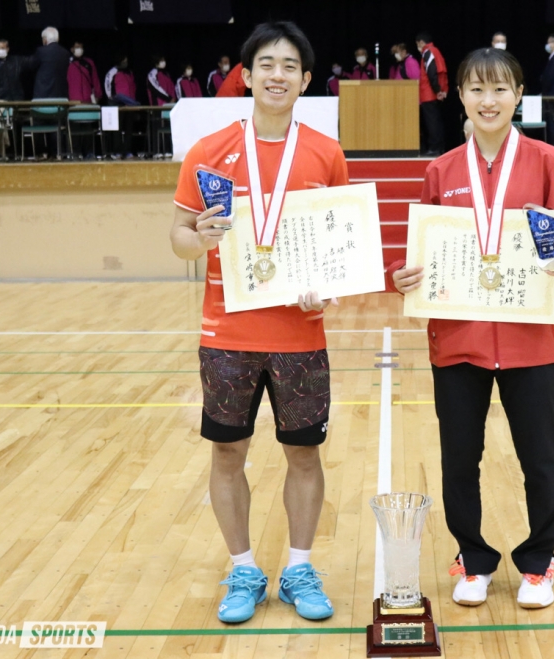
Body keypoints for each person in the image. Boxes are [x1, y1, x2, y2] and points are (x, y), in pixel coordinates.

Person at [387, 47, 554, 610]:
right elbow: (413, 262)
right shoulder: (441, 170)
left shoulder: (548, 161)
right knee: (460, 459)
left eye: (500, 88)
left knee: (540, 459)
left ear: (519, 95)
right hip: (457, 343)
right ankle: (472, 559)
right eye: (476, 89)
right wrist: (401, 276)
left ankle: (539, 561)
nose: (488, 100)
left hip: (530, 340)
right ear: (459, 96)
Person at [170, 20, 347, 625]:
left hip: (300, 335)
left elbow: (336, 246)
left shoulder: (325, 153)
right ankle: (243, 567)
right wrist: (198, 237)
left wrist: (329, 290)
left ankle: (299, 566)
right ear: (247, 75)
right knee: (227, 455)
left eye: (290, 66)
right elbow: (177, 236)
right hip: (227, 335)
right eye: (266, 64)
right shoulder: (209, 151)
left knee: (304, 457)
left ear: (306, 79)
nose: (278, 74)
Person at [415, 31, 448, 156]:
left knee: (432, 122)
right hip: (433, 93)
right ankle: (438, 147)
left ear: (421, 43)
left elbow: (432, 72)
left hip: (429, 93)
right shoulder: (435, 51)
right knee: (436, 121)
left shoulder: (428, 52)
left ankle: (435, 148)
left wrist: (437, 91)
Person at [104, 55, 138, 159]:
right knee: (117, 130)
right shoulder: (112, 72)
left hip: (129, 105)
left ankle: (127, 151)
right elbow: (108, 87)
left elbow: (133, 87)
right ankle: (117, 151)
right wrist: (112, 99)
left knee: (128, 129)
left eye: (126, 61)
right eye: (123, 61)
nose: (125, 63)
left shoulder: (130, 72)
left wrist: (132, 100)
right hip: (117, 105)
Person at [29, 27, 70, 99]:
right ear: (57, 39)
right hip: (60, 94)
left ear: (45, 39)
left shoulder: (41, 51)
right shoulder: (65, 53)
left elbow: (32, 66)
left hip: (43, 93)